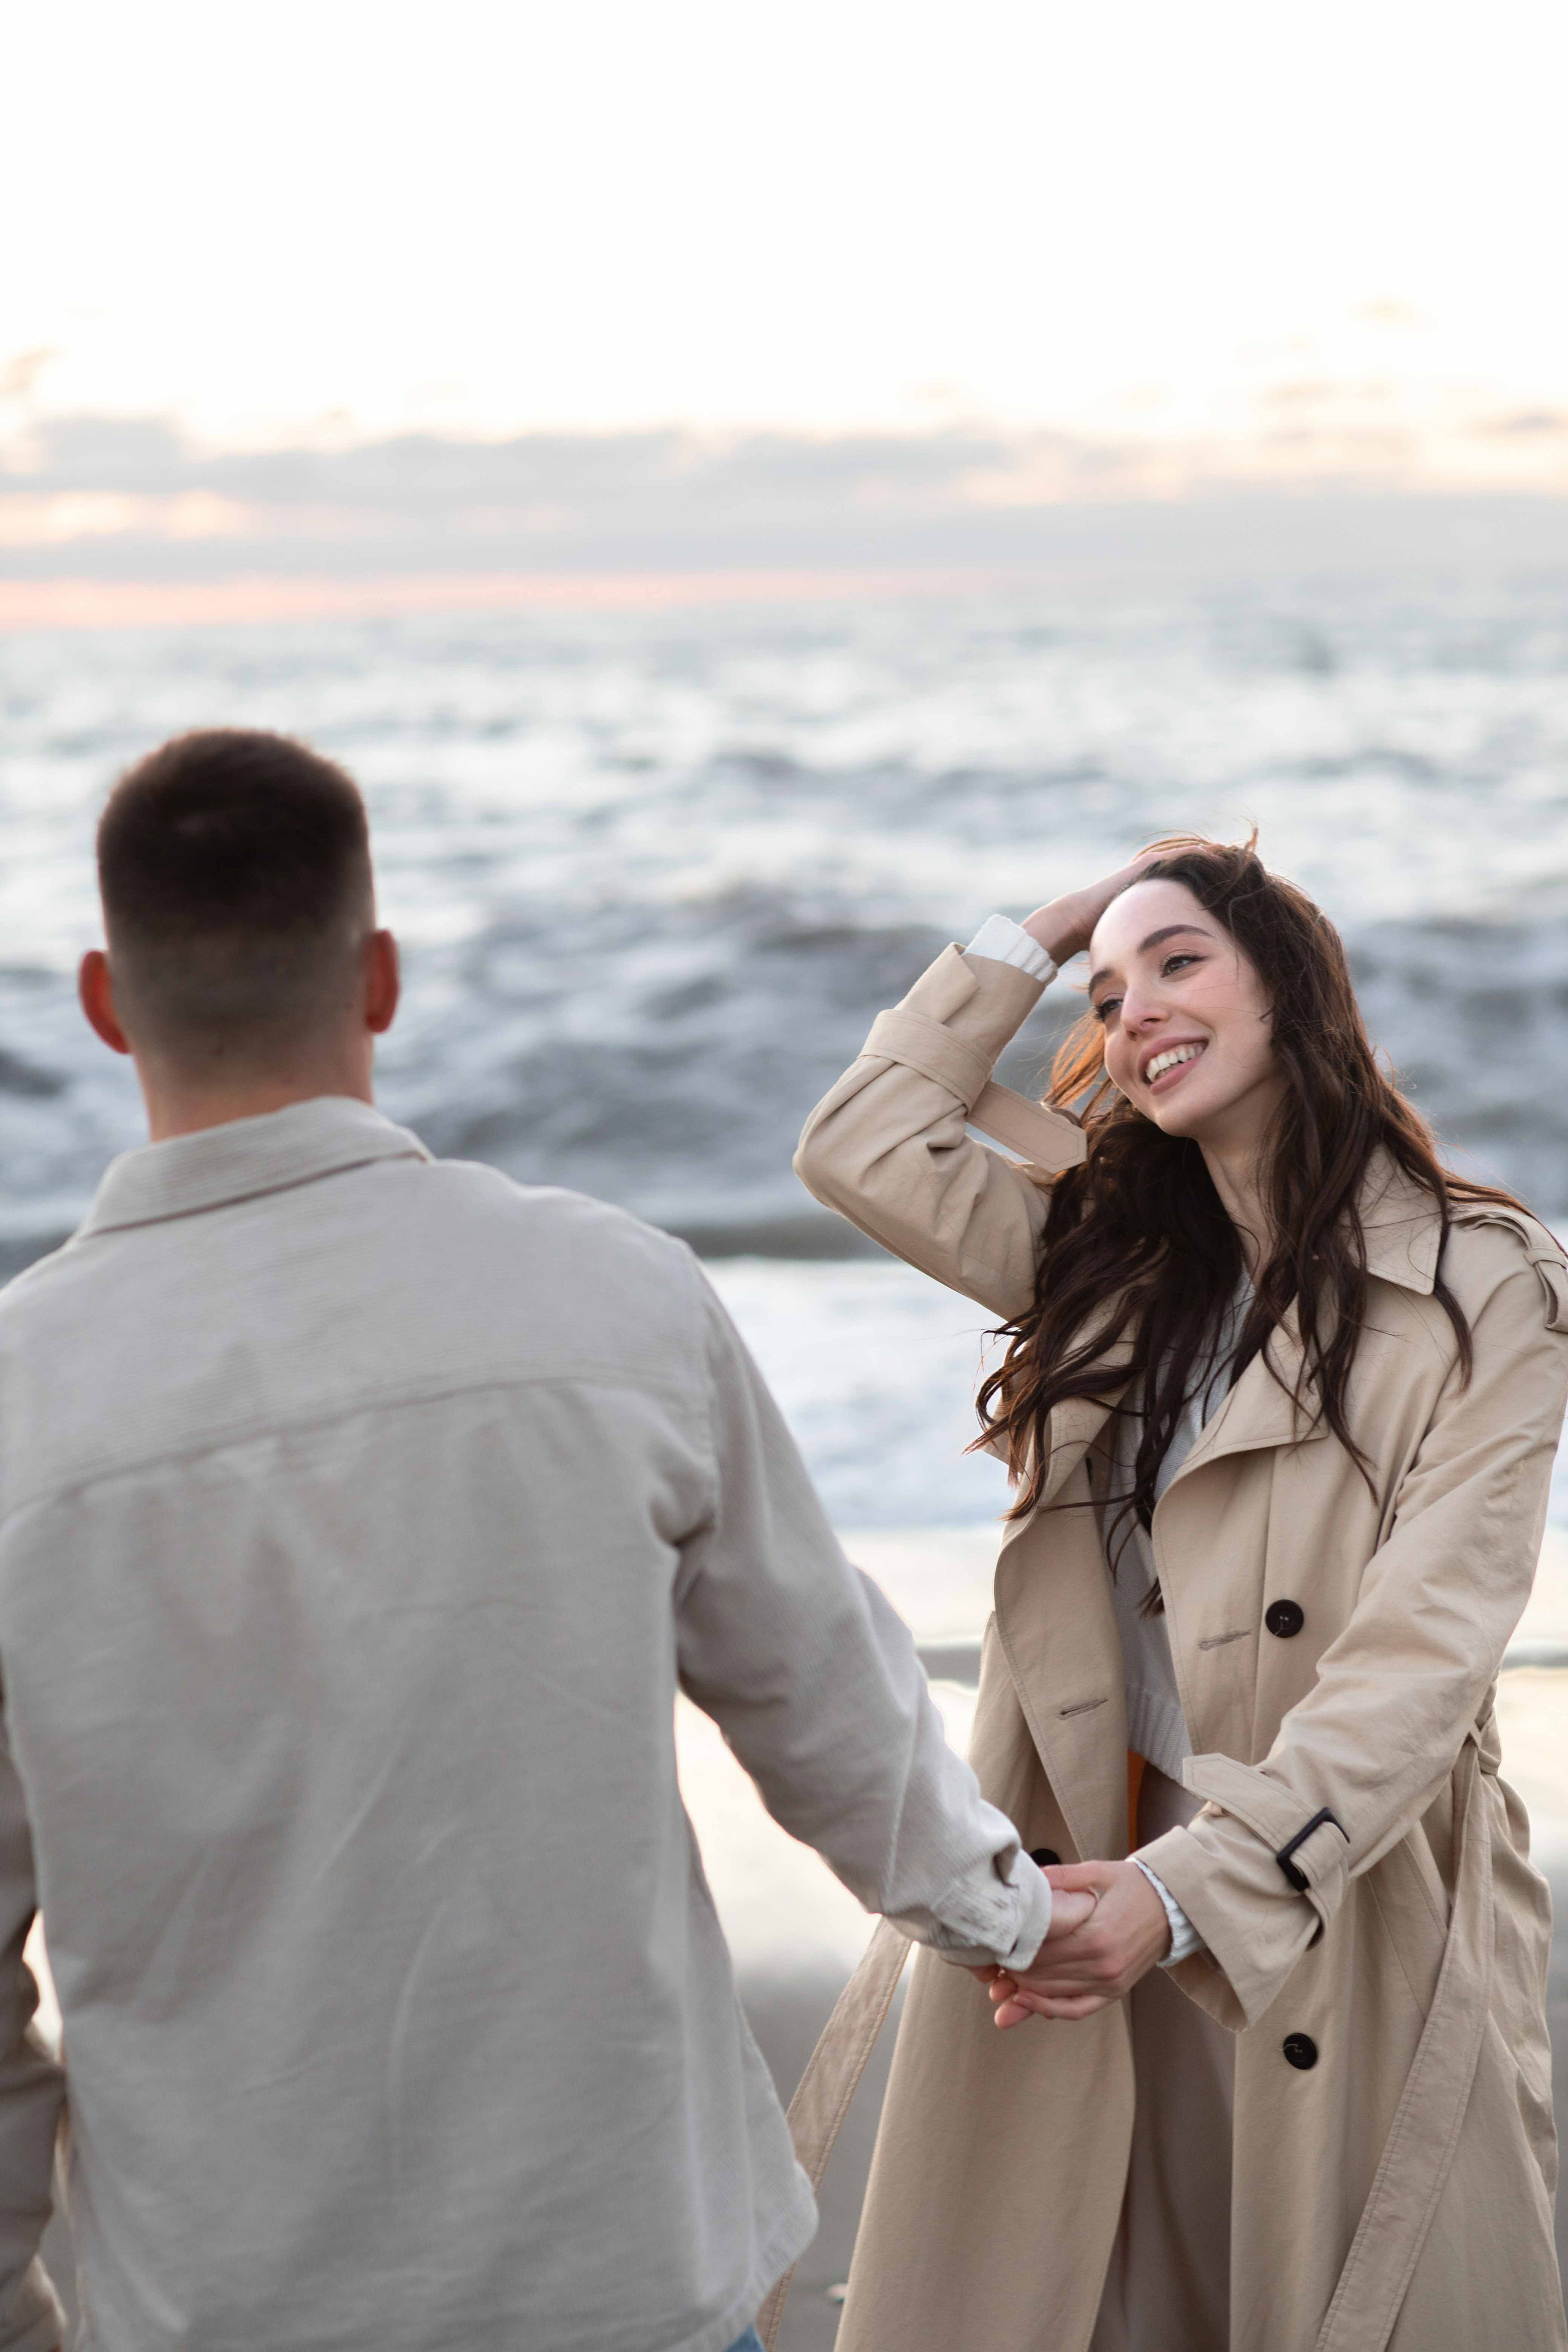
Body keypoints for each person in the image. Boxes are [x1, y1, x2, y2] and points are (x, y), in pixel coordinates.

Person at [0, 728, 1080, 2352]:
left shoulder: (21, 1403)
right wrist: (1013, 1916)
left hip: (224, 2299)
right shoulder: (609, 1294)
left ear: (101, 998)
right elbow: (822, 1700)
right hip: (622, 2265)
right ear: (379, 977)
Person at [793, 838, 1568, 2352]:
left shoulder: (1486, 1283)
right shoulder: (1114, 1263)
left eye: (1177, 962)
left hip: (1328, 1888)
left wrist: (1184, 1896)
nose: (1130, 1005)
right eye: (1103, 989)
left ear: (1289, 986)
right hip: (1077, 1868)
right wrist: (1041, 928)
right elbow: (858, 1144)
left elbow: (1418, 1663)